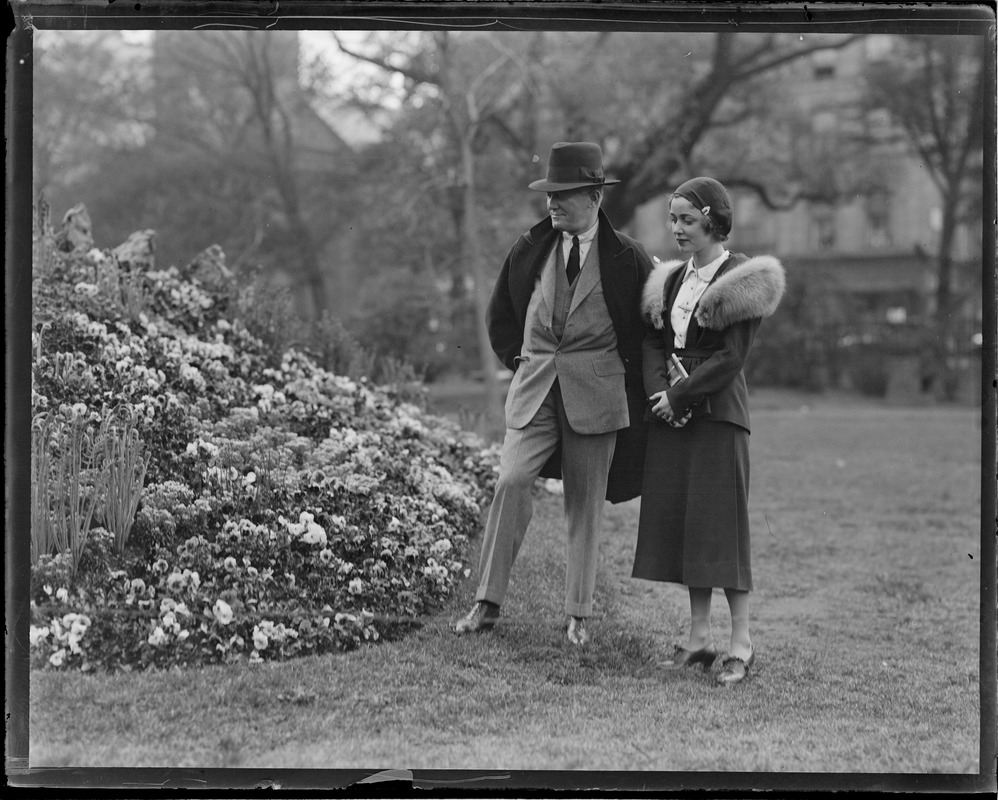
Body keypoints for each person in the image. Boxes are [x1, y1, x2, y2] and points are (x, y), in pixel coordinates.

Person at [454, 141, 654, 646]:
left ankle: (578, 616)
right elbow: (501, 317)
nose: (552, 203)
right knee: (511, 480)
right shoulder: (530, 248)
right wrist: (520, 363)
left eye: (563, 194)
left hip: (597, 396)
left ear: (593, 196)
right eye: (549, 193)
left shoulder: (628, 258)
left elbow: (648, 332)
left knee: (585, 505)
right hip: (535, 389)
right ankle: (487, 602)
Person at [633, 177, 784, 685]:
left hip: (718, 415)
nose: (676, 229)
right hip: (673, 416)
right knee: (687, 527)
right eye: (673, 219)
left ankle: (741, 643)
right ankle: (698, 640)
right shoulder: (673, 280)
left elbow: (731, 357)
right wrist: (661, 395)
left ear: (714, 222)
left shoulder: (741, 278)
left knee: (722, 529)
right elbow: (656, 342)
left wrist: (680, 395)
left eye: (687, 220)